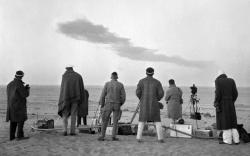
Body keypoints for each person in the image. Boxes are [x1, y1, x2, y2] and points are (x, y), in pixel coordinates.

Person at [136, 67, 164, 143]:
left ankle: (138, 138)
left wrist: (142, 98)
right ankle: (160, 138)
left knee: (141, 121)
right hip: (154, 104)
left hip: (144, 103)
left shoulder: (141, 81)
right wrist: (156, 99)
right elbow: (161, 93)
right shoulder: (157, 82)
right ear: (153, 73)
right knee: (157, 121)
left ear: (146, 73)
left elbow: (137, 92)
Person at [98, 72, 126, 141]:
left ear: (111, 77)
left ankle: (102, 136)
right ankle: (113, 136)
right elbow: (123, 97)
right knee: (115, 121)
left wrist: (102, 104)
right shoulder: (120, 85)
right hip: (117, 104)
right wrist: (120, 103)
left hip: (108, 103)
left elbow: (103, 95)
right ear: (117, 77)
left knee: (105, 120)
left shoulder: (107, 84)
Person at [214, 70, 239, 145]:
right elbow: (236, 93)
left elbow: (218, 94)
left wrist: (216, 102)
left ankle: (228, 141)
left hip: (222, 103)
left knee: (225, 122)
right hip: (231, 103)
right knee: (232, 122)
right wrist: (231, 101)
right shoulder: (232, 80)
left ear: (219, 75)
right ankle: (236, 140)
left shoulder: (218, 81)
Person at [58, 65, 85, 136]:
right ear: (72, 68)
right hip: (76, 98)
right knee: (74, 114)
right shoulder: (78, 76)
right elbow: (81, 88)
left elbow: (63, 89)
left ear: (67, 69)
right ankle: (72, 131)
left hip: (65, 98)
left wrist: (62, 98)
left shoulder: (64, 76)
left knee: (65, 114)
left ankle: (65, 130)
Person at [6, 70, 30, 141]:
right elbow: (25, 94)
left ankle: (12, 137)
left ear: (15, 75)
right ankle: (20, 136)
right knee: (21, 120)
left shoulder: (9, 84)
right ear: (22, 76)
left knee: (13, 121)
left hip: (11, 106)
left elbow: (14, 93)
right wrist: (27, 89)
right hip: (19, 106)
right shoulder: (19, 84)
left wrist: (23, 88)